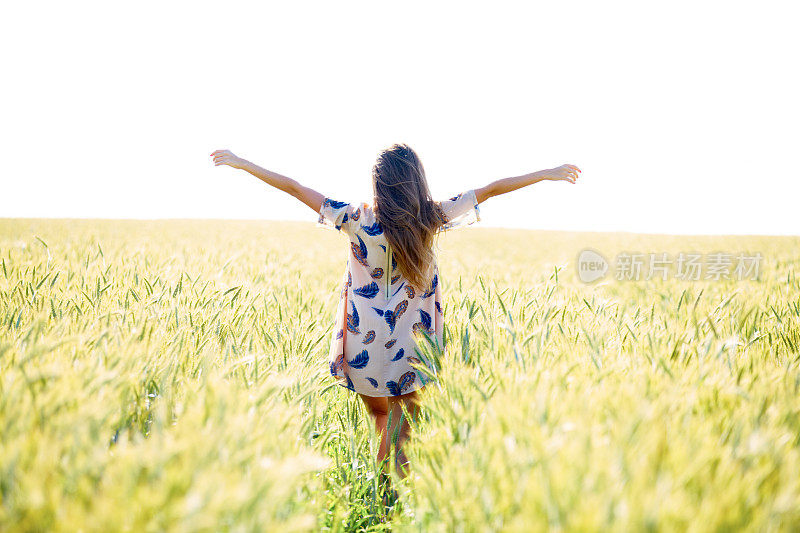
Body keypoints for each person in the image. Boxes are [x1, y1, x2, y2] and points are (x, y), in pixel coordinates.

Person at [210, 144, 580, 480]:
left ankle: (381, 490)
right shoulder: (431, 218)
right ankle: (391, 498)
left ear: (379, 185)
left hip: (363, 342)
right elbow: (492, 189)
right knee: (403, 430)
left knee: (381, 418)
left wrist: (243, 164)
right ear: (417, 181)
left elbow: (294, 188)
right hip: (411, 343)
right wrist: (545, 174)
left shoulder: (355, 219)